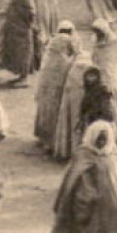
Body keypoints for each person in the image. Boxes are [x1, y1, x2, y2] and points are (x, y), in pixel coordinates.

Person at [47, 116, 117, 233]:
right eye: (98, 139)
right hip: (93, 212)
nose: (101, 143)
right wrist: (84, 207)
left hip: (113, 211)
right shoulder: (83, 157)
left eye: (104, 139)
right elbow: (78, 186)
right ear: (92, 137)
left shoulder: (113, 154)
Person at [32, 21, 77, 152]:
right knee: (55, 111)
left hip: (46, 81)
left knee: (44, 110)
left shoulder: (52, 45)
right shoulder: (69, 43)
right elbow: (76, 54)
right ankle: (52, 142)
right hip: (57, 85)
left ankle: (42, 138)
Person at [2, 0, 37, 82]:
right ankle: (21, 76)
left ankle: (24, 77)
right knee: (19, 53)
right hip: (17, 30)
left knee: (23, 53)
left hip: (22, 30)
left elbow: (30, 13)